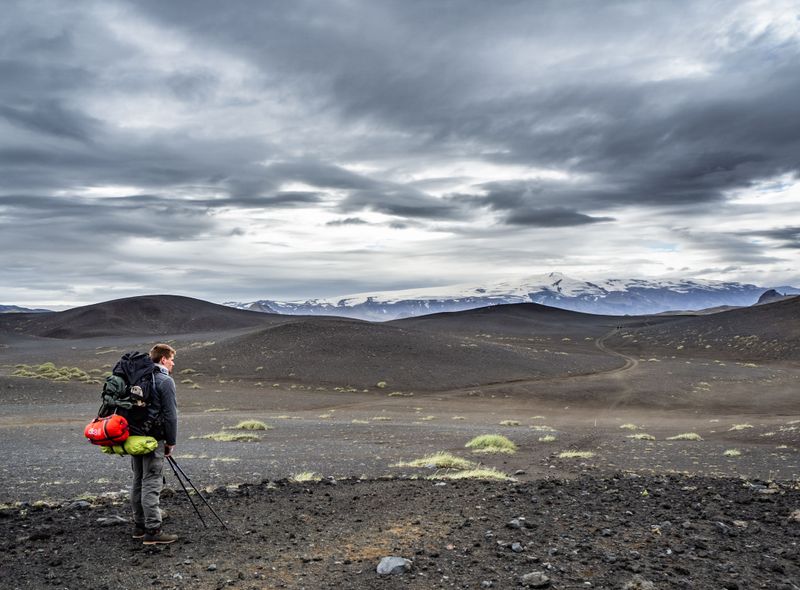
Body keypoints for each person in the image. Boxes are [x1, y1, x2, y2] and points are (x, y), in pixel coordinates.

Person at [131, 343, 179, 545]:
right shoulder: (164, 380)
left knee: (139, 479)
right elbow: (170, 416)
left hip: (135, 438)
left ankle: (139, 527)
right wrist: (170, 442)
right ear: (162, 360)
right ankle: (153, 530)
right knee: (152, 481)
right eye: (171, 359)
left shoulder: (139, 379)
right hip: (153, 440)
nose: (173, 363)